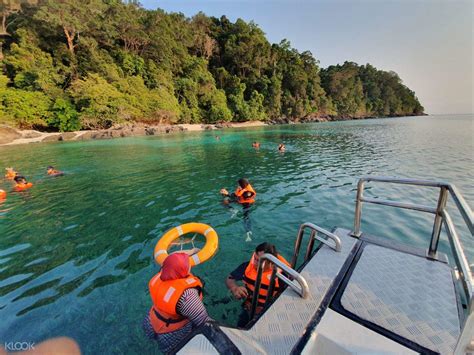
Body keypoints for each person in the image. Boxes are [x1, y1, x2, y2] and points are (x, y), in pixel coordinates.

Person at [143, 253, 211, 353]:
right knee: (175, 350)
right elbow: (203, 321)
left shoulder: (158, 277)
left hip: (149, 321)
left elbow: (170, 262)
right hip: (171, 334)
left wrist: (191, 252)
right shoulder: (187, 295)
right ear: (184, 270)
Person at [225, 242, 291, 327]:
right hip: (248, 307)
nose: (255, 263)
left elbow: (287, 298)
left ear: (271, 263)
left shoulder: (281, 275)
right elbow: (230, 278)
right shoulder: (247, 266)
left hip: (269, 312)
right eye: (255, 258)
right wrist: (235, 288)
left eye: (260, 261)